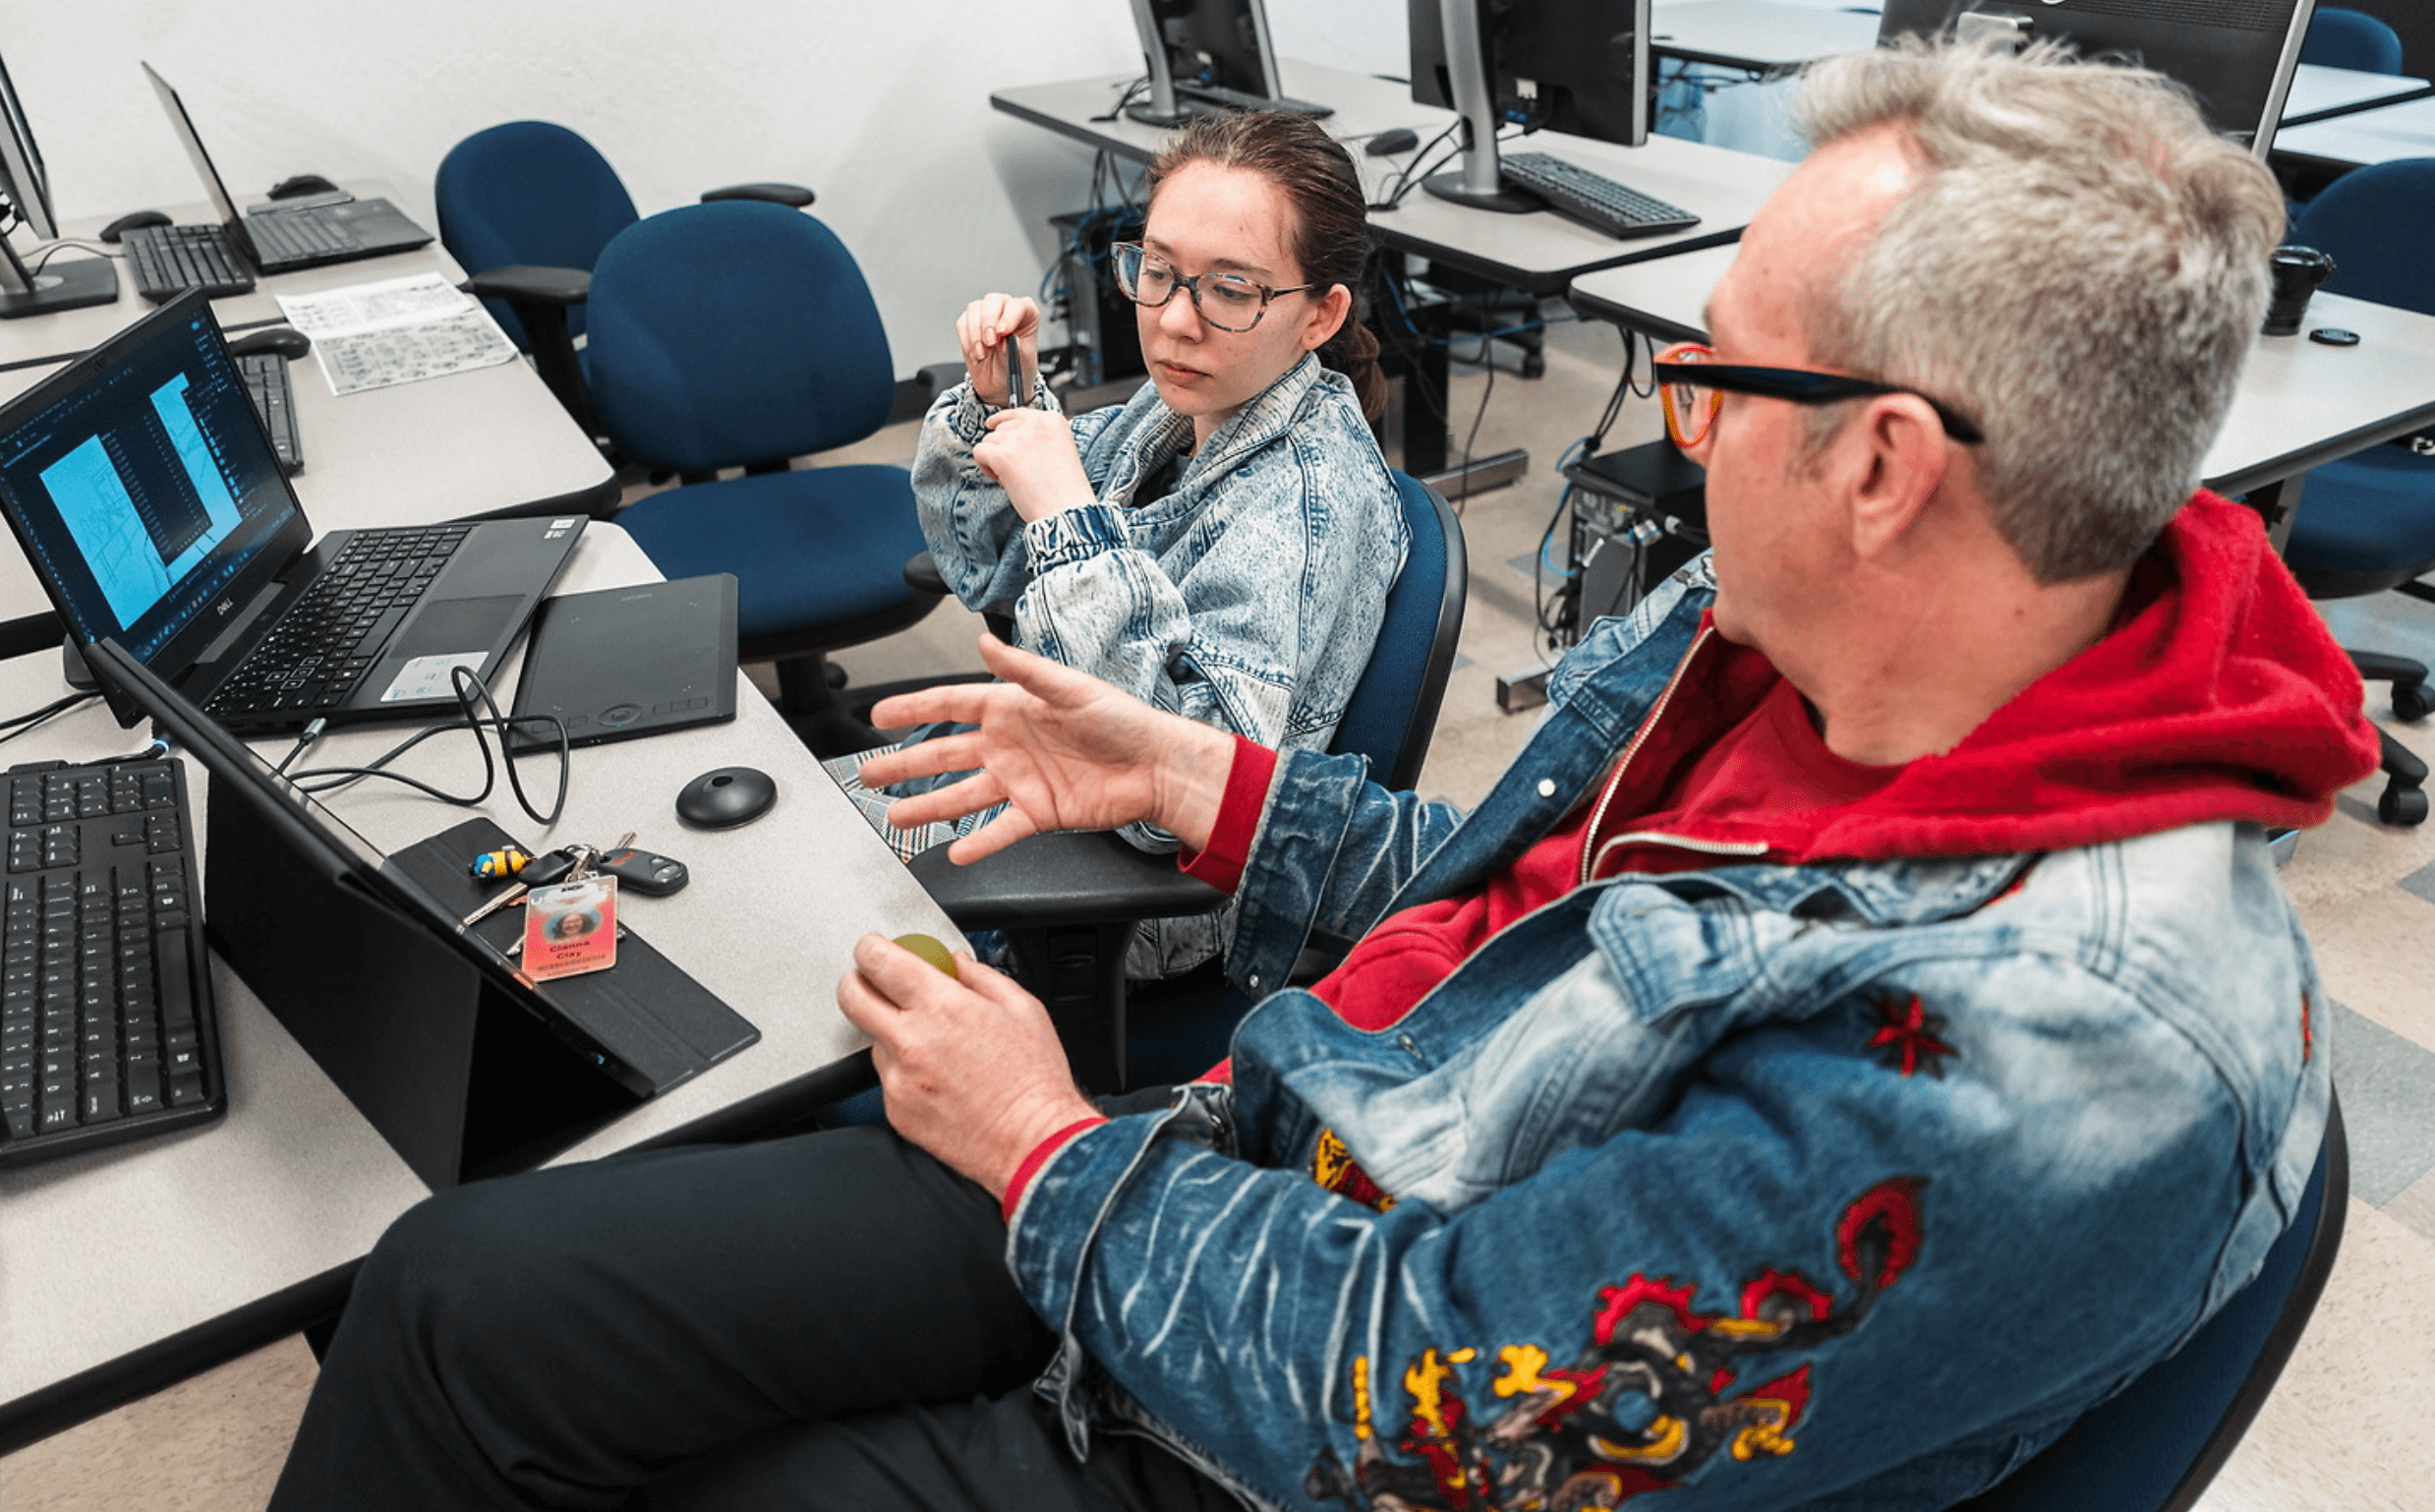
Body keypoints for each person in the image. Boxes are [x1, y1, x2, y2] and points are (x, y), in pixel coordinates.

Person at [268, 40, 2381, 1512]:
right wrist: (1198, 777)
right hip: (1250, 1159)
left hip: (1296, 1423)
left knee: (646, 1476)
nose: (1663, 410)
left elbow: (1427, 1415)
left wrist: (1035, 1152)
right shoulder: (1760, 639)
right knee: (460, 1302)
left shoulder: (2033, 1054)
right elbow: (1469, 901)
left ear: (1881, 465)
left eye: (1705, 366)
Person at [825, 108, 1407, 980]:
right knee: (775, 831)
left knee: (780, 899)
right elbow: (993, 571)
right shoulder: (1180, 410)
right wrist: (1002, 405)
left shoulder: (1305, 501)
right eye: (1159, 272)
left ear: (1320, 316)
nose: (1175, 321)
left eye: (1231, 289)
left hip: (1132, 901)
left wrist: (1066, 513)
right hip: (1045, 776)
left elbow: (1173, 801)